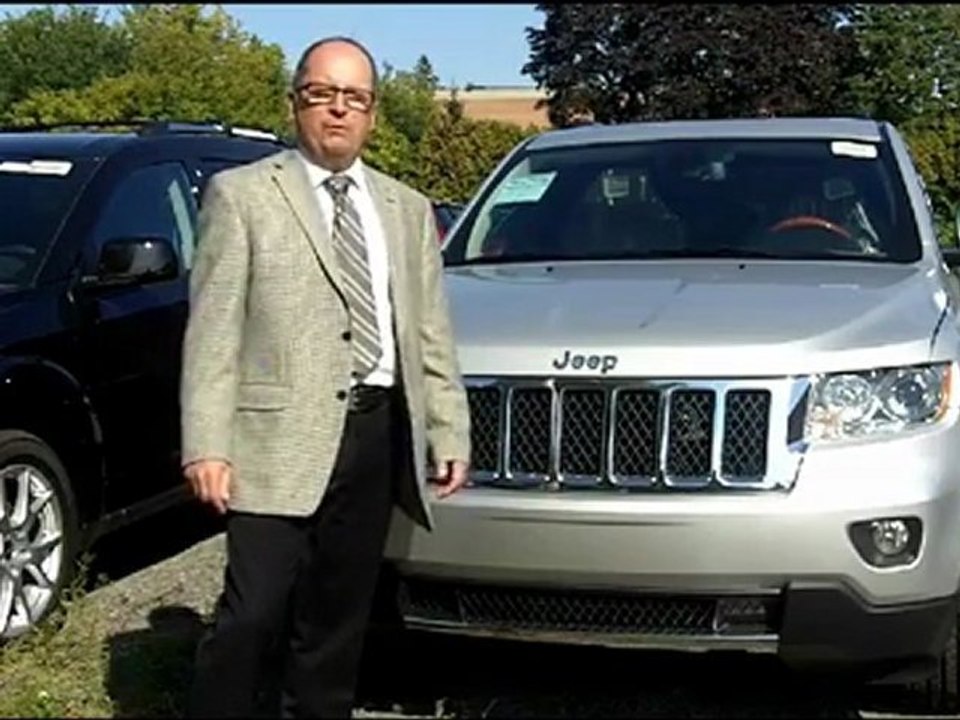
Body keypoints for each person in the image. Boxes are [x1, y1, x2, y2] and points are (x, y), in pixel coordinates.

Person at [179, 35, 471, 718]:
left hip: (375, 435)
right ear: (296, 102)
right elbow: (213, 329)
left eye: (355, 98)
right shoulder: (243, 195)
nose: (338, 110)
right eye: (322, 94)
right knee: (252, 614)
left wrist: (447, 427)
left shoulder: (404, 208)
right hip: (273, 442)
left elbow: (429, 329)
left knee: (336, 623)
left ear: (372, 113)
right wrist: (206, 445)